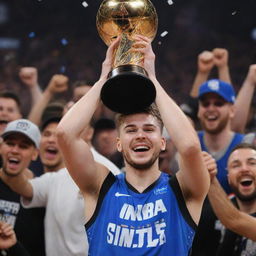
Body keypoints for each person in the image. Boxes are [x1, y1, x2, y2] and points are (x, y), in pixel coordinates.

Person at [57, 35, 209, 255]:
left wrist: (153, 80)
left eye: (149, 129)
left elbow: (190, 147)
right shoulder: (100, 186)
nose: (140, 135)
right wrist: (103, 79)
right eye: (130, 130)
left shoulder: (184, 189)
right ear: (119, 144)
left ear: (163, 142)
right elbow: (65, 134)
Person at [5, 116, 120, 256]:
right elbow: (26, 188)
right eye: (48, 134)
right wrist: (14, 166)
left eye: (69, 126)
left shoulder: (108, 171)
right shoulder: (59, 176)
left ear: (89, 133)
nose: (58, 137)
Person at [191, 78, 245, 256]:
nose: (211, 108)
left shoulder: (247, 145)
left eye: (219, 103)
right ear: (198, 110)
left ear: (232, 110)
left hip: (237, 239)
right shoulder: (189, 145)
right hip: (196, 243)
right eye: (205, 104)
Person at [0, 119, 45, 256]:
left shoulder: (41, 194)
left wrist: (14, 246)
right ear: (1, 147)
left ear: (35, 154)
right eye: (10, 143)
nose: (15, 150)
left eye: (23, 146)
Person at [208, 143, 256, 254]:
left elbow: (234, 220)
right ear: (229, 178)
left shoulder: (227, 216)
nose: (244, 169)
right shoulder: (211, 212)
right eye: (236, 165)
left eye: (252, 163)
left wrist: (209, 178)